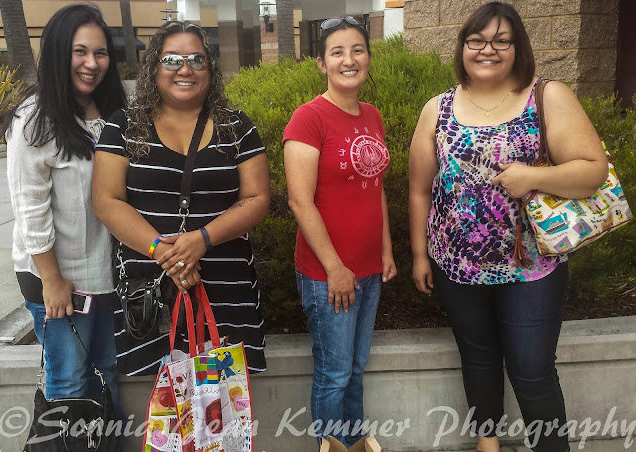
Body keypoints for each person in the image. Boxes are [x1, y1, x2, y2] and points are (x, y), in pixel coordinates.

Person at [409, 3, 608, 451]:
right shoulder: (437, 108)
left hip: (531, 266)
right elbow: (420, 189)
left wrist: (533, 176)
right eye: (476, 40)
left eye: (501, 40)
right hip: (455, 264)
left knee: (532, 368)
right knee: (478, 357)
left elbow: (593, 170)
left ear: (518, 47)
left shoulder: (547, 96)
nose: (488, 50)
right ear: (462, 47)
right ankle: (488, 444)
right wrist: (421, 254)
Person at [92, 20, 269, 377]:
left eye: (197, 59)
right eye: (172, 60)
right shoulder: (123, 126)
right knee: (158, 403)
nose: (185, 69)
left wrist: (202, 240)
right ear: (154, 67)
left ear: (210, 68)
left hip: (225, 289)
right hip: (150, 293)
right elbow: (107, 201)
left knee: (224, 399)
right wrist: (165, 253)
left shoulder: (237, 127)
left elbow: (257, 198)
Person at [0, 2, 126, 421]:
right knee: (69, 380)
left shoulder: (110, 111)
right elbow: (30, 209)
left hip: (104, 273)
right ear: (57, 52)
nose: (92, 63)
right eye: (80, 51)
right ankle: (65, 445)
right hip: (57, 277)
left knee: (107, 372)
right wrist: (52, 281)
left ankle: (105, 445)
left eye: (100, 53)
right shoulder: (34, 120)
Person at [283, 16, 397, 447]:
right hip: (328, 273)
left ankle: (354, 443)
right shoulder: (308, 118)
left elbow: (375, 187)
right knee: (334, 373)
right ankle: (331, 446)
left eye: (357, 50)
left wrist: (385, 250)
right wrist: (335, 268)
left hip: (368, 267)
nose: (349, 60)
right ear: (322, 63)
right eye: (337, 52)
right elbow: (300, 201)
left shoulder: (372, 115)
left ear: (368, 57)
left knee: (355, 367)